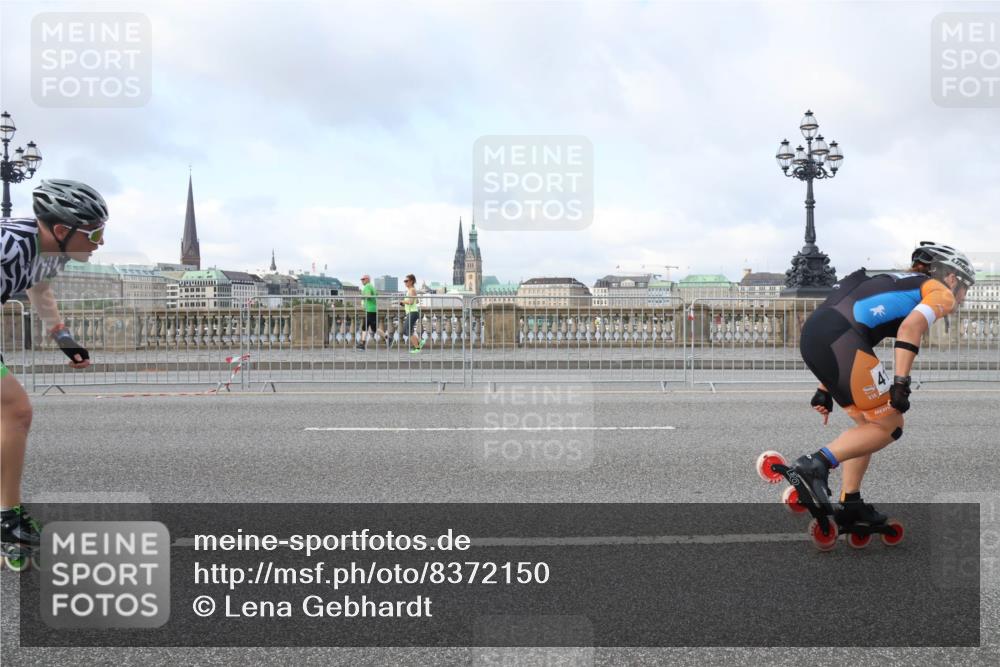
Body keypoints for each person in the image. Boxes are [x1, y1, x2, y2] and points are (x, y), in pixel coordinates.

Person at [790, 242, 974, 529]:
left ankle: (850, 503)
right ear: (951, 277)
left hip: (816, 336)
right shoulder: (939, 291)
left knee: (868, 423)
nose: (963, 296)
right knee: (891, 424)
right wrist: (901, 383)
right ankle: (817, 464)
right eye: (965, 287)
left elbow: (844, 317)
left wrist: (824, 388)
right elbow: (910, 328)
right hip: (841, 340)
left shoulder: (889, 281)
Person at [1, 179, 107, 564]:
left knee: (14, 412)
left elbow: (39, 291)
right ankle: (6, 517)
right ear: (62, 230)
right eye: (94, 233)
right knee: (15, 409)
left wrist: (63, 337)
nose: (100, 242)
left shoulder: (52, 252)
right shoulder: (8, 246)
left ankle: (6, 516)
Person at [356, 274, 388, 350]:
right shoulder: (372, 286)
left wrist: (362, 296)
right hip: (372, 309)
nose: (362, 281)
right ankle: (387, 337)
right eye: (361, 280)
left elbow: (369, 296)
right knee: (374, 329)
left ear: (367, 279)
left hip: (370, 310)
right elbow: (376, 294)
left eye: (363, 279)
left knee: (364, 326)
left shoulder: (367, 286)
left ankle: (362, 344)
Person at [400, 274, 424, 354]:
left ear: (411, 281)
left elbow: (411, 302)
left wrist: (403, 302)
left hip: (412, 312)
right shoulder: (410, 290)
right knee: (406, 330)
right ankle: (420, 342)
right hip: (411, 312)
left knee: (408, 331)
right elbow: (416, 301)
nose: (405, 282)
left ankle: (417, 347)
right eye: (404, 281)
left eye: (406, 281)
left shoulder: (412, 290)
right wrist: (405, 303)